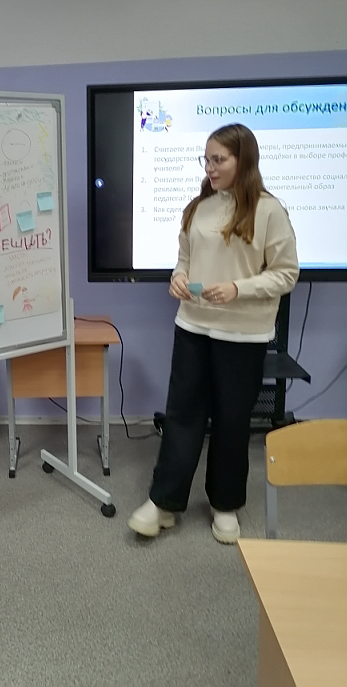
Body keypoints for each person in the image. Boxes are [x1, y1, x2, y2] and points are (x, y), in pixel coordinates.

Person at [128, 123, 299, 544]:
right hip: (193, 326)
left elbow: (286, 274)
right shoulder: (198, 208)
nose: (210, 168)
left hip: (243, 335)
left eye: (219, 159)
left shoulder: (269, 211)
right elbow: (184, 260)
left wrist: (239, 288)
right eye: (206, 159)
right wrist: (178, 278)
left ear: (244, 160)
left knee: (232, 420)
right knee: (181, 415)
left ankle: (225, 504)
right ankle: (164, 502)